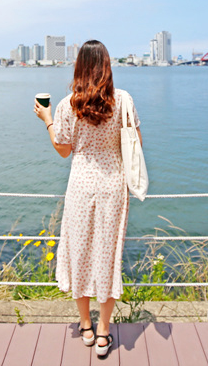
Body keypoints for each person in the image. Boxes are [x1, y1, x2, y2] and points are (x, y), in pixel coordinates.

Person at [34, 40, 141, 358]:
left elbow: (63, 149)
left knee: (79, 254)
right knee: (108, 258)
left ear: (79, 67)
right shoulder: (122, 101)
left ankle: (85, 326)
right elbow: (134, 144)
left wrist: (47, 119)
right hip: (112, 187)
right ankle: (105, 332)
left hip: (81, 187)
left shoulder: (69, 105)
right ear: (107, 66)